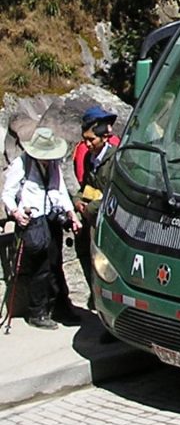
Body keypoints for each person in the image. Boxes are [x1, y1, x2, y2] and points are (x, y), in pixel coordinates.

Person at [2, 127, 82, 329]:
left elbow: (60, 191)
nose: (47, 160)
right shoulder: (21, 164)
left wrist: (71, 214)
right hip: (33, 222)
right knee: (40, 268)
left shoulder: (53, 165)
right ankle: (37, 312)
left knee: (56, 265)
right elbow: (7, 195)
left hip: (52, 218)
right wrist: (16, 213)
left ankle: (60, 307)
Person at [72, 106, 119, 308]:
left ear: (104, 138)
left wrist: (89, 209)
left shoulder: (115, 159)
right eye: (85, 139)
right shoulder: (88, 158)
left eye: (92, 139)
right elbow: (85, 187)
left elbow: (114, 193)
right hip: (91, 219)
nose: (87, 144)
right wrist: (77, 200)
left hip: (107, 222)